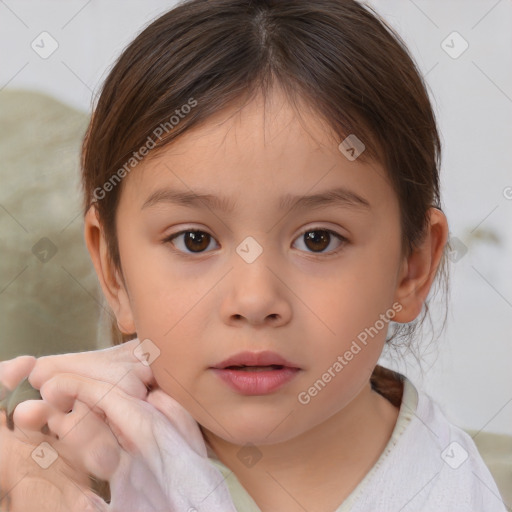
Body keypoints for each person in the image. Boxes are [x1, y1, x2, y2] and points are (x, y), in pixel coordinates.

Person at [0, 0, 507, 510]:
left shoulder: (453, 490)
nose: (255, 299)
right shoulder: (63, 464)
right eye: (194, 240)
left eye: (318, 239)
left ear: (411, 270)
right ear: (113, 269)